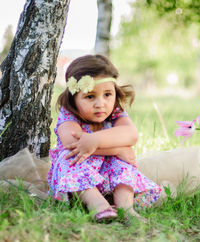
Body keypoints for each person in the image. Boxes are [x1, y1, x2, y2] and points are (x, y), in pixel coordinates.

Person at [47, 54, 162, 222]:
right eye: (90, 96)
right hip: (78, 180)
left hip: (108, 175)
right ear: (73, 98)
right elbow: (73, 145)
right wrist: (119, 148)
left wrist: (96, 141)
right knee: (69, 160)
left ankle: (126, 209)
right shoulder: (69, 115)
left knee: (123, 165)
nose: (100, 104)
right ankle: (98, 205)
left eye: (107, 94)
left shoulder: (115, 112)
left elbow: (131, 134)